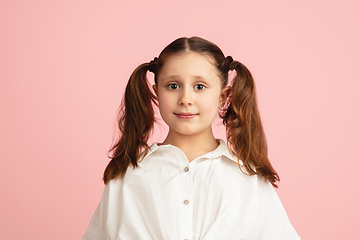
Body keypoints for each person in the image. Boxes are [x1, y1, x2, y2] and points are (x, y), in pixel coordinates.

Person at [82, 36, 300, 240]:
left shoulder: (250, 180)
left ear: (222, 96)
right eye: (173, 86)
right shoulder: (127, 177)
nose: (186, 98)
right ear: (157, 93)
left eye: (200, 87)